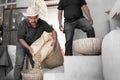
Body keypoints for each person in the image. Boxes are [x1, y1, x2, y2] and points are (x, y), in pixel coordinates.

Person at [14, 6, 58, 80]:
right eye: (31, 18)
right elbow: (20, 39)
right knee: (19, 63)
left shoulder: (42, 23)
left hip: (34, 45)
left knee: (36, 64)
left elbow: (53, 31)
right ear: (28, 17)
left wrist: (54, 41)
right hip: (22, 45)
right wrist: (28, 48)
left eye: (35, 18)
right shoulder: (23, 24)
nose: (33, 20)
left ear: (38, 16)